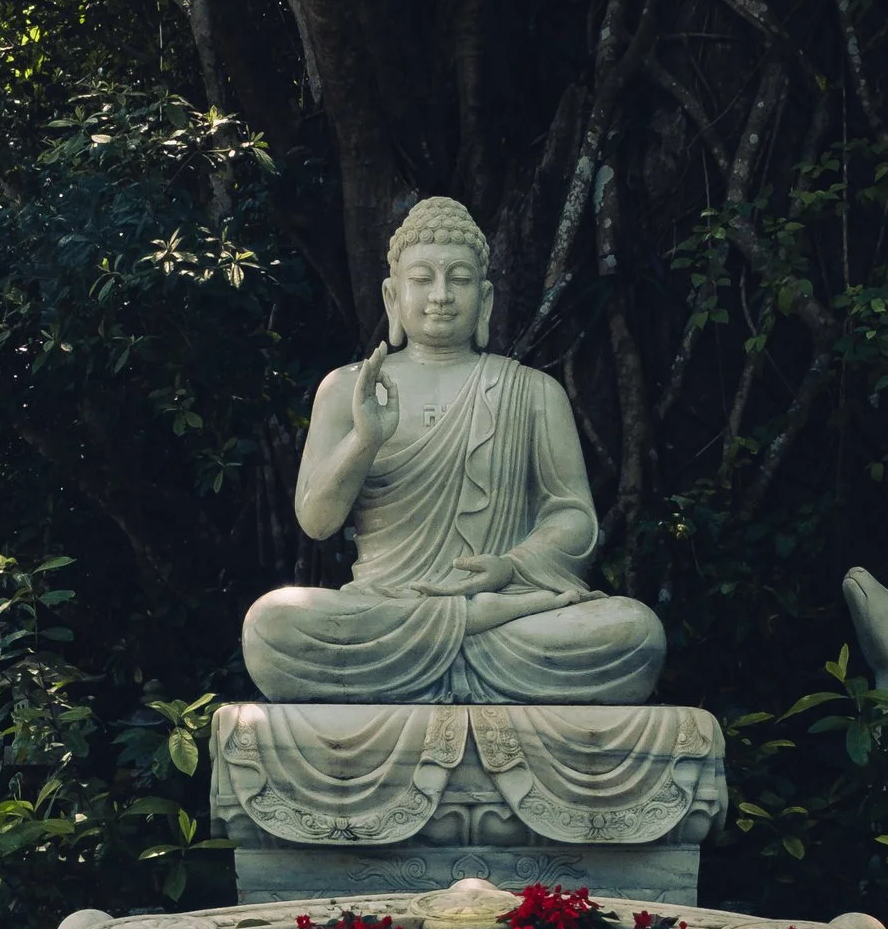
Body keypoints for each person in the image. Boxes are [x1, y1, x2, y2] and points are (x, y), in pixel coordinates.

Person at [240, 197, 665, 706]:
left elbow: (572, 518)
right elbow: (316, 521)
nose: (441, 296)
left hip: (504, 622)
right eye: (423, 279)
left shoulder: (533, 392)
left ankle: (465, 634)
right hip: (391, 610)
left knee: (636, 632)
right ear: (392, 296)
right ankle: (469, 630)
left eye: (458, 279)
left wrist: (509, 568)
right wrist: (365, 439)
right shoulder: (348, 388)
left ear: (484, 300)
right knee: (272, 624)